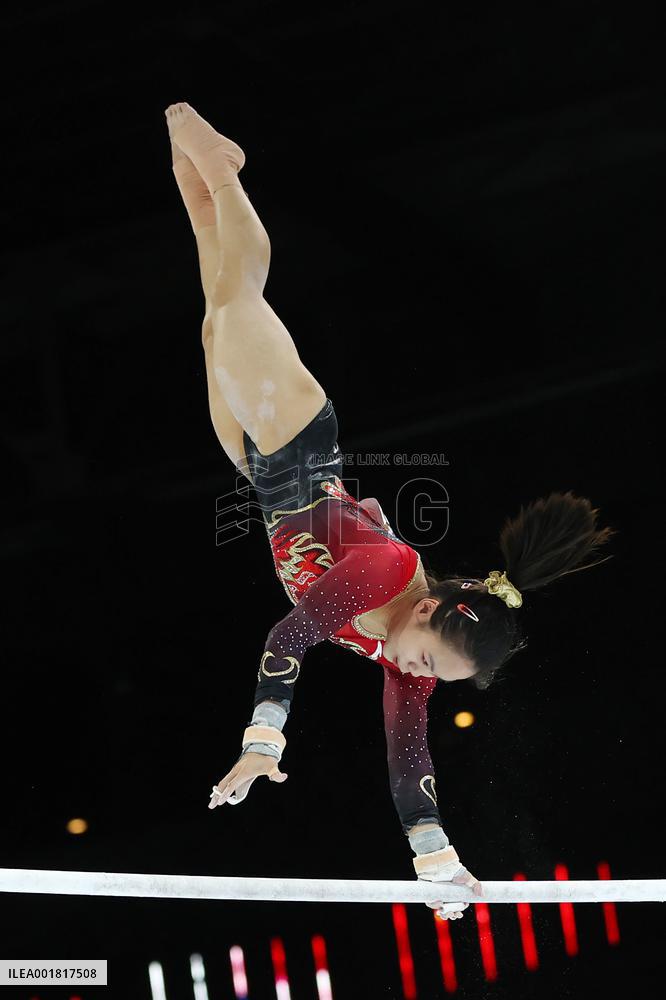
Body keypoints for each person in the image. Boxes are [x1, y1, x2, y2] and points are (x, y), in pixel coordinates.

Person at [165, 102, 615, 921]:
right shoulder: (387, 572)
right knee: (235, 304)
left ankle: (200, 184)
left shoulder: (399, 659)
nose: (418, 677)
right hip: (299, 444)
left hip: (255, 473)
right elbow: (288, 635)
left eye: (432, 679)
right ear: (434, 609)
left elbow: (408, 762)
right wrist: (263, 740)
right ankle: (225, 168)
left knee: (214, 310)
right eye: (429, 661)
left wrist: (438, 862)